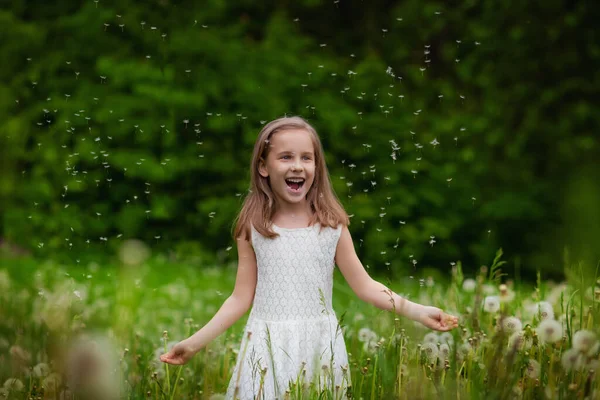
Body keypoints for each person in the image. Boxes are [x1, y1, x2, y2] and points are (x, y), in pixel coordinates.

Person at [160, 116, 459, 399]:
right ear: (263, 167)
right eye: (286, 157)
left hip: (319, 346)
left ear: (317, 166)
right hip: (265, 346)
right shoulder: (252, 227)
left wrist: (419, 311)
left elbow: (365, 286)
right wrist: (194, 343)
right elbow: (240, 298)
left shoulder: (331, 226)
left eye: (306, 158)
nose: (298, 166)